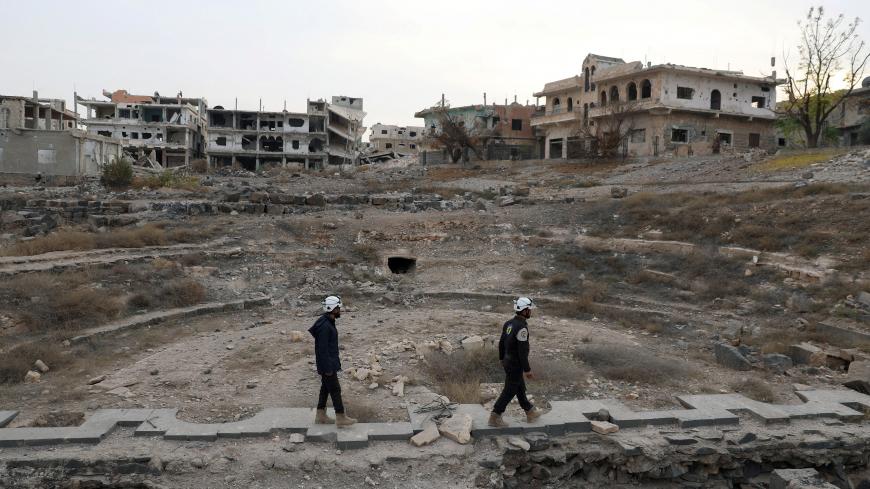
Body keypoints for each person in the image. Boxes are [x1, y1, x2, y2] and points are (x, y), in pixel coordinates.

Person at [489, 297, 542, 427]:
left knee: (519, 387)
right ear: (524, 311)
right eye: (529, 310)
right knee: (510, 390)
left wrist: (501, 358)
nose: (531, 312)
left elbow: (501, 343)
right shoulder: (522, 328)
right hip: (515, 364)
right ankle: (495, 416)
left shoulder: (509, 323)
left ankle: (529, 411)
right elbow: (522, 352)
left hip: (507, 361)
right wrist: (527, 369)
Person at [308, 295, 356, 427]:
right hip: (327, 364)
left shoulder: (327, 322)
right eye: (338, 308)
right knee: (335, 389)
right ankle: (341, 417)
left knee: (325, 388)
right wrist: (328, 368)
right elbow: (322, 350)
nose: (340, 310)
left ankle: (320, 415)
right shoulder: (325, 326)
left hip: (328, 363)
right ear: (333, 309)